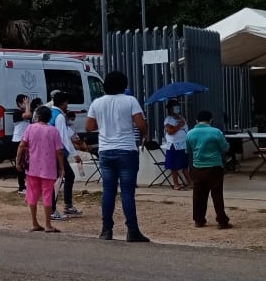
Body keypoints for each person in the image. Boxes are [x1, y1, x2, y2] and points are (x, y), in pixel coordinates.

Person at [85, 71, 150, 243]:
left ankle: (106, 230)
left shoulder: (97, 103)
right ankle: (133, 231)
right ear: (124, 84)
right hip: (127, 150)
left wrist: (106, 123)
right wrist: (145, 133)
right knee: (127, 192)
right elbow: (141, 124)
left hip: (105, 150)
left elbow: (89, 126)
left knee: (108, 192)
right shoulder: (130, 101)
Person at [16, 105, 65, 232]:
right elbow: (59, 151)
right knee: (47, 195)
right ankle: (48, 224)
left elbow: (22, 145)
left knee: (32, 195)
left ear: (37, 116)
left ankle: (34, 222)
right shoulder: (54, 131)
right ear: (49, 118)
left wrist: (18, 161)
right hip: (48, 169)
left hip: (32, 167)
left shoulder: (30, 128)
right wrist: (61, 167)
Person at [186, 110, 232, 229]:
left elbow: (188, 151)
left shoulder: (190, 133)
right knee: (217, 194)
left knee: (198, 195)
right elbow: (225, 148)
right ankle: (222, 220)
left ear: (196, 120)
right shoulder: (216, 132)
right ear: (211, 120)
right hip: (214, 167)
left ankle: (198, 220)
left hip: (197, 167)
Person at [49, 91, 82, 220]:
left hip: (52, 152)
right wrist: (75, 154)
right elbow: (63, 138)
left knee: (66, 177)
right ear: (63, 103)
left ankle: (66, 205)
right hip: (58, 152)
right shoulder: (59, 116)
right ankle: (53, 209)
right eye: (67, 102)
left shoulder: (51, 113)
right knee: (58, 180)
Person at [163, 99, 190, 190]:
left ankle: (190, 182)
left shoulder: (181, 117)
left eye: (178, 106)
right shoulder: (169, 119)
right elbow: (170, 131)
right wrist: (179, 125)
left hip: (183, 145)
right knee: (174, 166)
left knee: (184, 165)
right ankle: (176, 183)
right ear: (171, 109)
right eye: (175, 106)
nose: (177, 108)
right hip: (174, 145)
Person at [10, 93, 33, 195]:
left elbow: (30, 115)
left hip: (25, 140)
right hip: (18, 140)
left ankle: (26, 185)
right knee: (20, 164)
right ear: (20, 103)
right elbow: (28, 115)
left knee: (26, 163)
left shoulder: (25, 111)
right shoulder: (17, 112)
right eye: (24, 102)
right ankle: (21, 187)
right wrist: (27, 104)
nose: (26, 104)